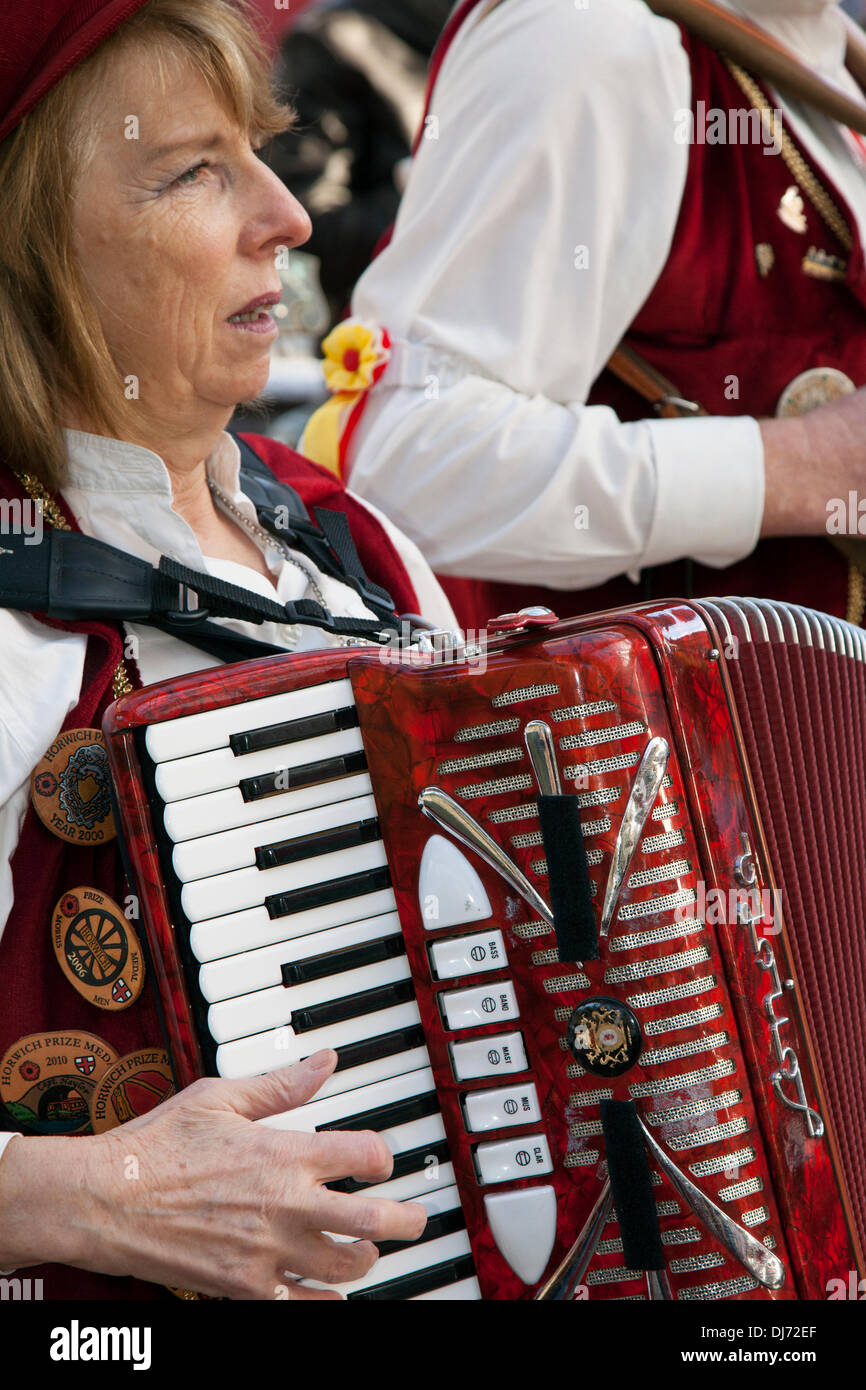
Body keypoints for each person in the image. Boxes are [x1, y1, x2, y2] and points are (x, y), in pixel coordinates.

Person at [0, 0, 459, 1301]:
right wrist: (86, 1194)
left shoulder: (358, 553)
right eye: (195, 169)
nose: (289, 214)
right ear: (30, 249)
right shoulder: (19, 634)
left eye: (258, 148)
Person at [309, 0, 866, 630]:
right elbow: (407, 461)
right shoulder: (586, 28)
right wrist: (797, 468)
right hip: (630, 720)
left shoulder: (825, 43)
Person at [268, 0, 453, 324]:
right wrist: (439, 215)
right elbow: (301, 222)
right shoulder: (335, 37)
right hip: (378, 344)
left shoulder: (507, 32)